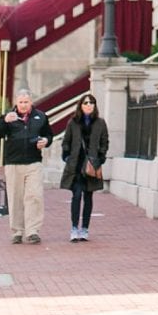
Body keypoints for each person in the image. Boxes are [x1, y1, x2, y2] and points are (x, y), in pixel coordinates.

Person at [0, 88, 50, 244]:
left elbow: (48, 134)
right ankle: (17, 231)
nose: (23, 105)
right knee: (15, 197)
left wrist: (46, 141)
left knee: (35, 196)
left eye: (26, 102)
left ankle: (32, 231)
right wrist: (4, 122)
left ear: (31, 102)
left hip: (34, 162)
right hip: (13, 163)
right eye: (21, 102)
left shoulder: (41, 117)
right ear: (16, 102)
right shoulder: (8, 117)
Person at [59, 95, 109, 241]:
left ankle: (85, 228)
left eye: (92, 103)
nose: (89, 105)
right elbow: (66, 141)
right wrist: (67, 156)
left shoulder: (100, 123)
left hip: (91, 165)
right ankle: (74, 228)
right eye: (86, 102)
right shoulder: (73, 122)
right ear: (81, 105)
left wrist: (100, 158)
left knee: (88, 197)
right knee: (76, 195)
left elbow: (105, 142)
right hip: (76, 165)